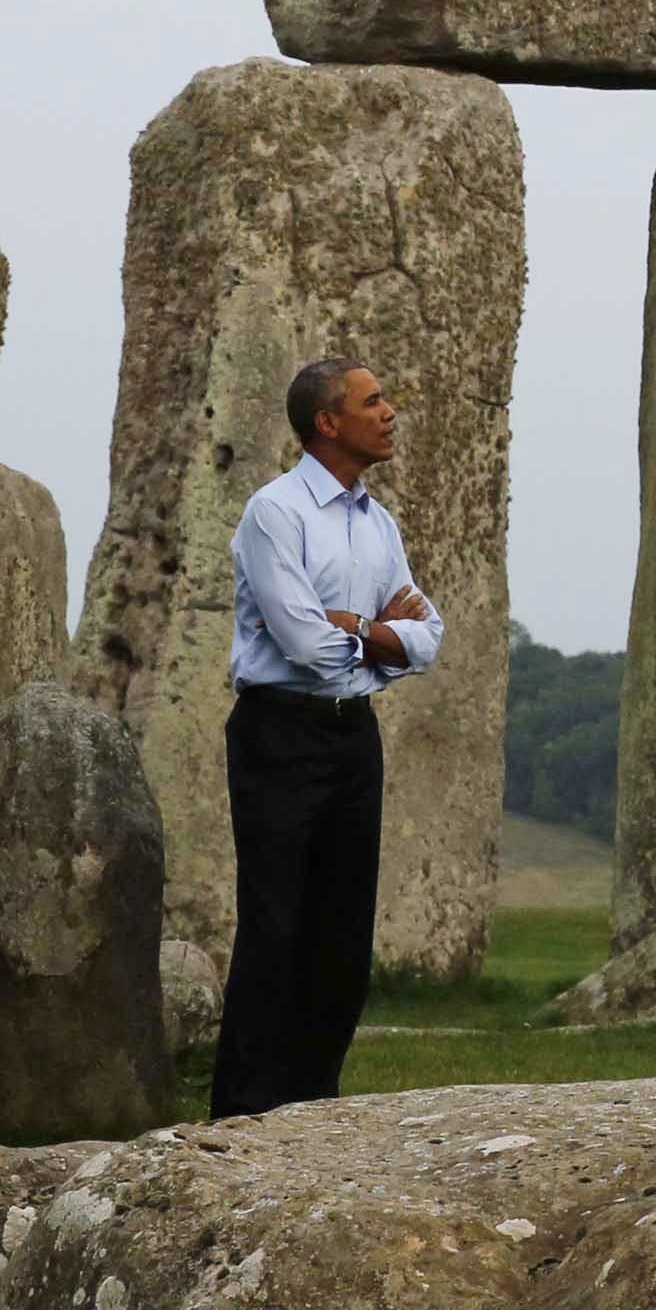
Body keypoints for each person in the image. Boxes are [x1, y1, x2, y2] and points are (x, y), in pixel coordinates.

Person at [211, 356, 445, 1119]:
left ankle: (313, 1108)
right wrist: (382, 637)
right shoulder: (274, 513)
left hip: (353, 737)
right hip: (280, 732)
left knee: (343, 938)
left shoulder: (380, 525)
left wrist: (362, 628)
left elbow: (430, 636)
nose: (391, 412)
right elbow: (306, 648)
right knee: (275, 925)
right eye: (373, 401)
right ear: (327, 422)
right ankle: (243, 1113)